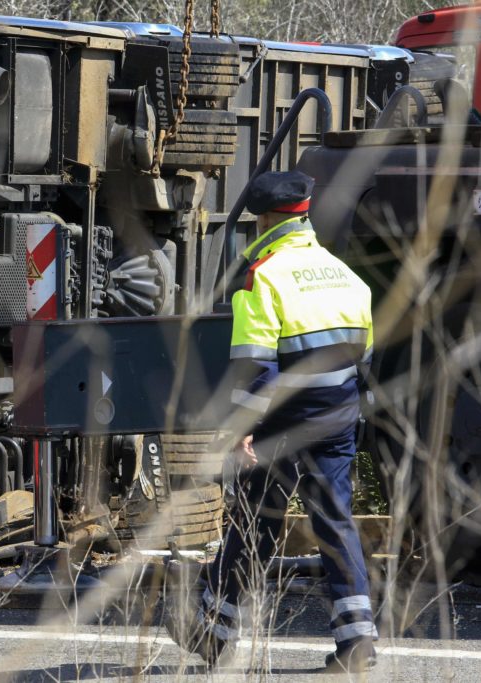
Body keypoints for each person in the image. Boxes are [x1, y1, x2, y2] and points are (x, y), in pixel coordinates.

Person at [168, 170, 377, 673]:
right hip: (338, 412)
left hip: (282, 419)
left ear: (263, 219)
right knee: (334, 521)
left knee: (254, 520)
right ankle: (358, 643)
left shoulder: (264, 275)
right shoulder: (342, 273)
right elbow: (366, 355)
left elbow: (256, 368)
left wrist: (240, 427)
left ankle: (214, 633)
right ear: (303, 213)